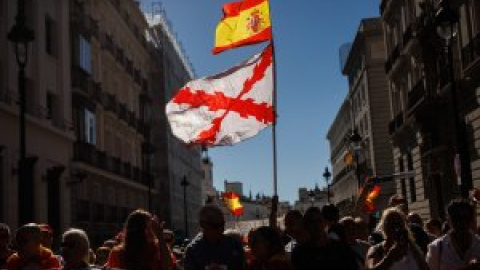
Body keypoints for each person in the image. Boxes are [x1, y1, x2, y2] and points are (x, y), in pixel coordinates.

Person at [291, 206, 358, 270]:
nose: (317, 225)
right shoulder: (300, 253)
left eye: (319, 221)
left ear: (324, 223)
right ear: (306, 225)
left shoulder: (341, 248)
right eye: (312, 222)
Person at [183, 205, 246, 270]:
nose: (221, 229)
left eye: (222, 224)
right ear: (202, 225)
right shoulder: (193, 251)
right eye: (216, 226)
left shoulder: (234, 245)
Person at [106, 209, 172, 270]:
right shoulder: (118, 253)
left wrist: (160, 236)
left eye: (152, 227)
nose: (152, 231)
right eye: (148, 228)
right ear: (137, 231)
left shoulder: (158, 247)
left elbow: (168, 266)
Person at [426, 199, 480, 270]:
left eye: (465, 218)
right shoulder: (437, 248)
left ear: (471, 220)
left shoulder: (478, 244)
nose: (461, 223)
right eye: (456, 219)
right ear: (449, 220)